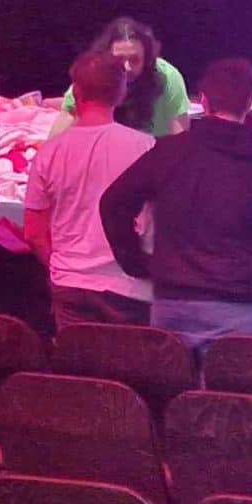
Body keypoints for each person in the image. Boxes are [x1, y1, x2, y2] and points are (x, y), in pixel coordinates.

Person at [101, 58, 252, 356]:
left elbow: (113, 203)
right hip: (240, 306)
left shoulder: (170, 152)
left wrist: (136, 262)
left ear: (204, 101)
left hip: (174, 300)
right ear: (250, 102)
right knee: (230, 387)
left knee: (169, 385)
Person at [24, 50, 157, 329]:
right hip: (129, 288)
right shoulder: (145, 147)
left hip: (70, 285)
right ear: (121, 93)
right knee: (127, 359)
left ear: (76, 92)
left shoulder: (50, 152)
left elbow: (34, 232)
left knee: (77, 358)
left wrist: (61, 269)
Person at [52, 18, 190, 138]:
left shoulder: (167, 77)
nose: (127, 67)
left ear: (147, 60)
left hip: (154, 154)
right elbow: (63, 124)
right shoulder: (93, 75)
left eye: (134, 60)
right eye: (119, 59)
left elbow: (180, 138)